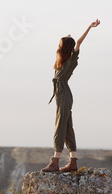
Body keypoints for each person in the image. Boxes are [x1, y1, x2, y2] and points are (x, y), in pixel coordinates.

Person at [41, 19, 101, 173]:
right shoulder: (61, 59)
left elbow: (79, 42)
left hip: (64, 93)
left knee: (60, 126)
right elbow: (68, 44)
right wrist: (67, 36)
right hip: (61, 93)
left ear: (64, 47)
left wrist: (89, 27)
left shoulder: (71, 57)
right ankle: (73, 161)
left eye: (60, 44)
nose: (58, 46)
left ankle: (55, 161)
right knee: (67, 127)